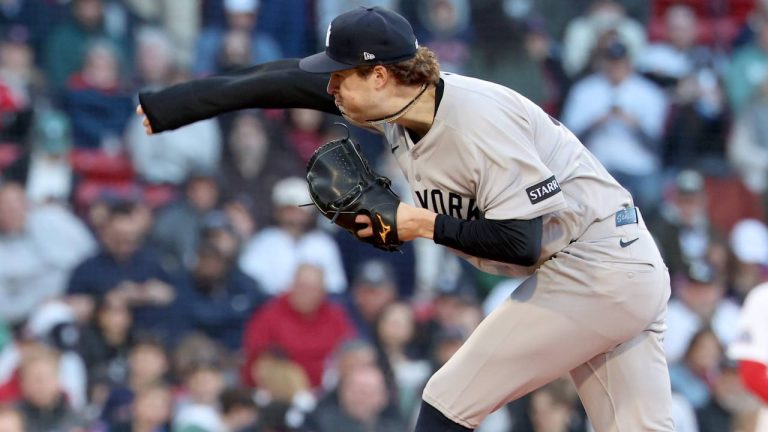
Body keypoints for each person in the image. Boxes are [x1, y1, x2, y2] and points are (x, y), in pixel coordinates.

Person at [136, 6, 674, 431]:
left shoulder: (475, 120)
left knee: (445, 403)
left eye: (339, 77)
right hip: (620, 267)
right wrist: (173, 104)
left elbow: (522, 242)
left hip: (593, 268)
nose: (329, 89)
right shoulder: (394, 103)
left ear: (378, 74)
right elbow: (276, 80)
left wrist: (415, 223)